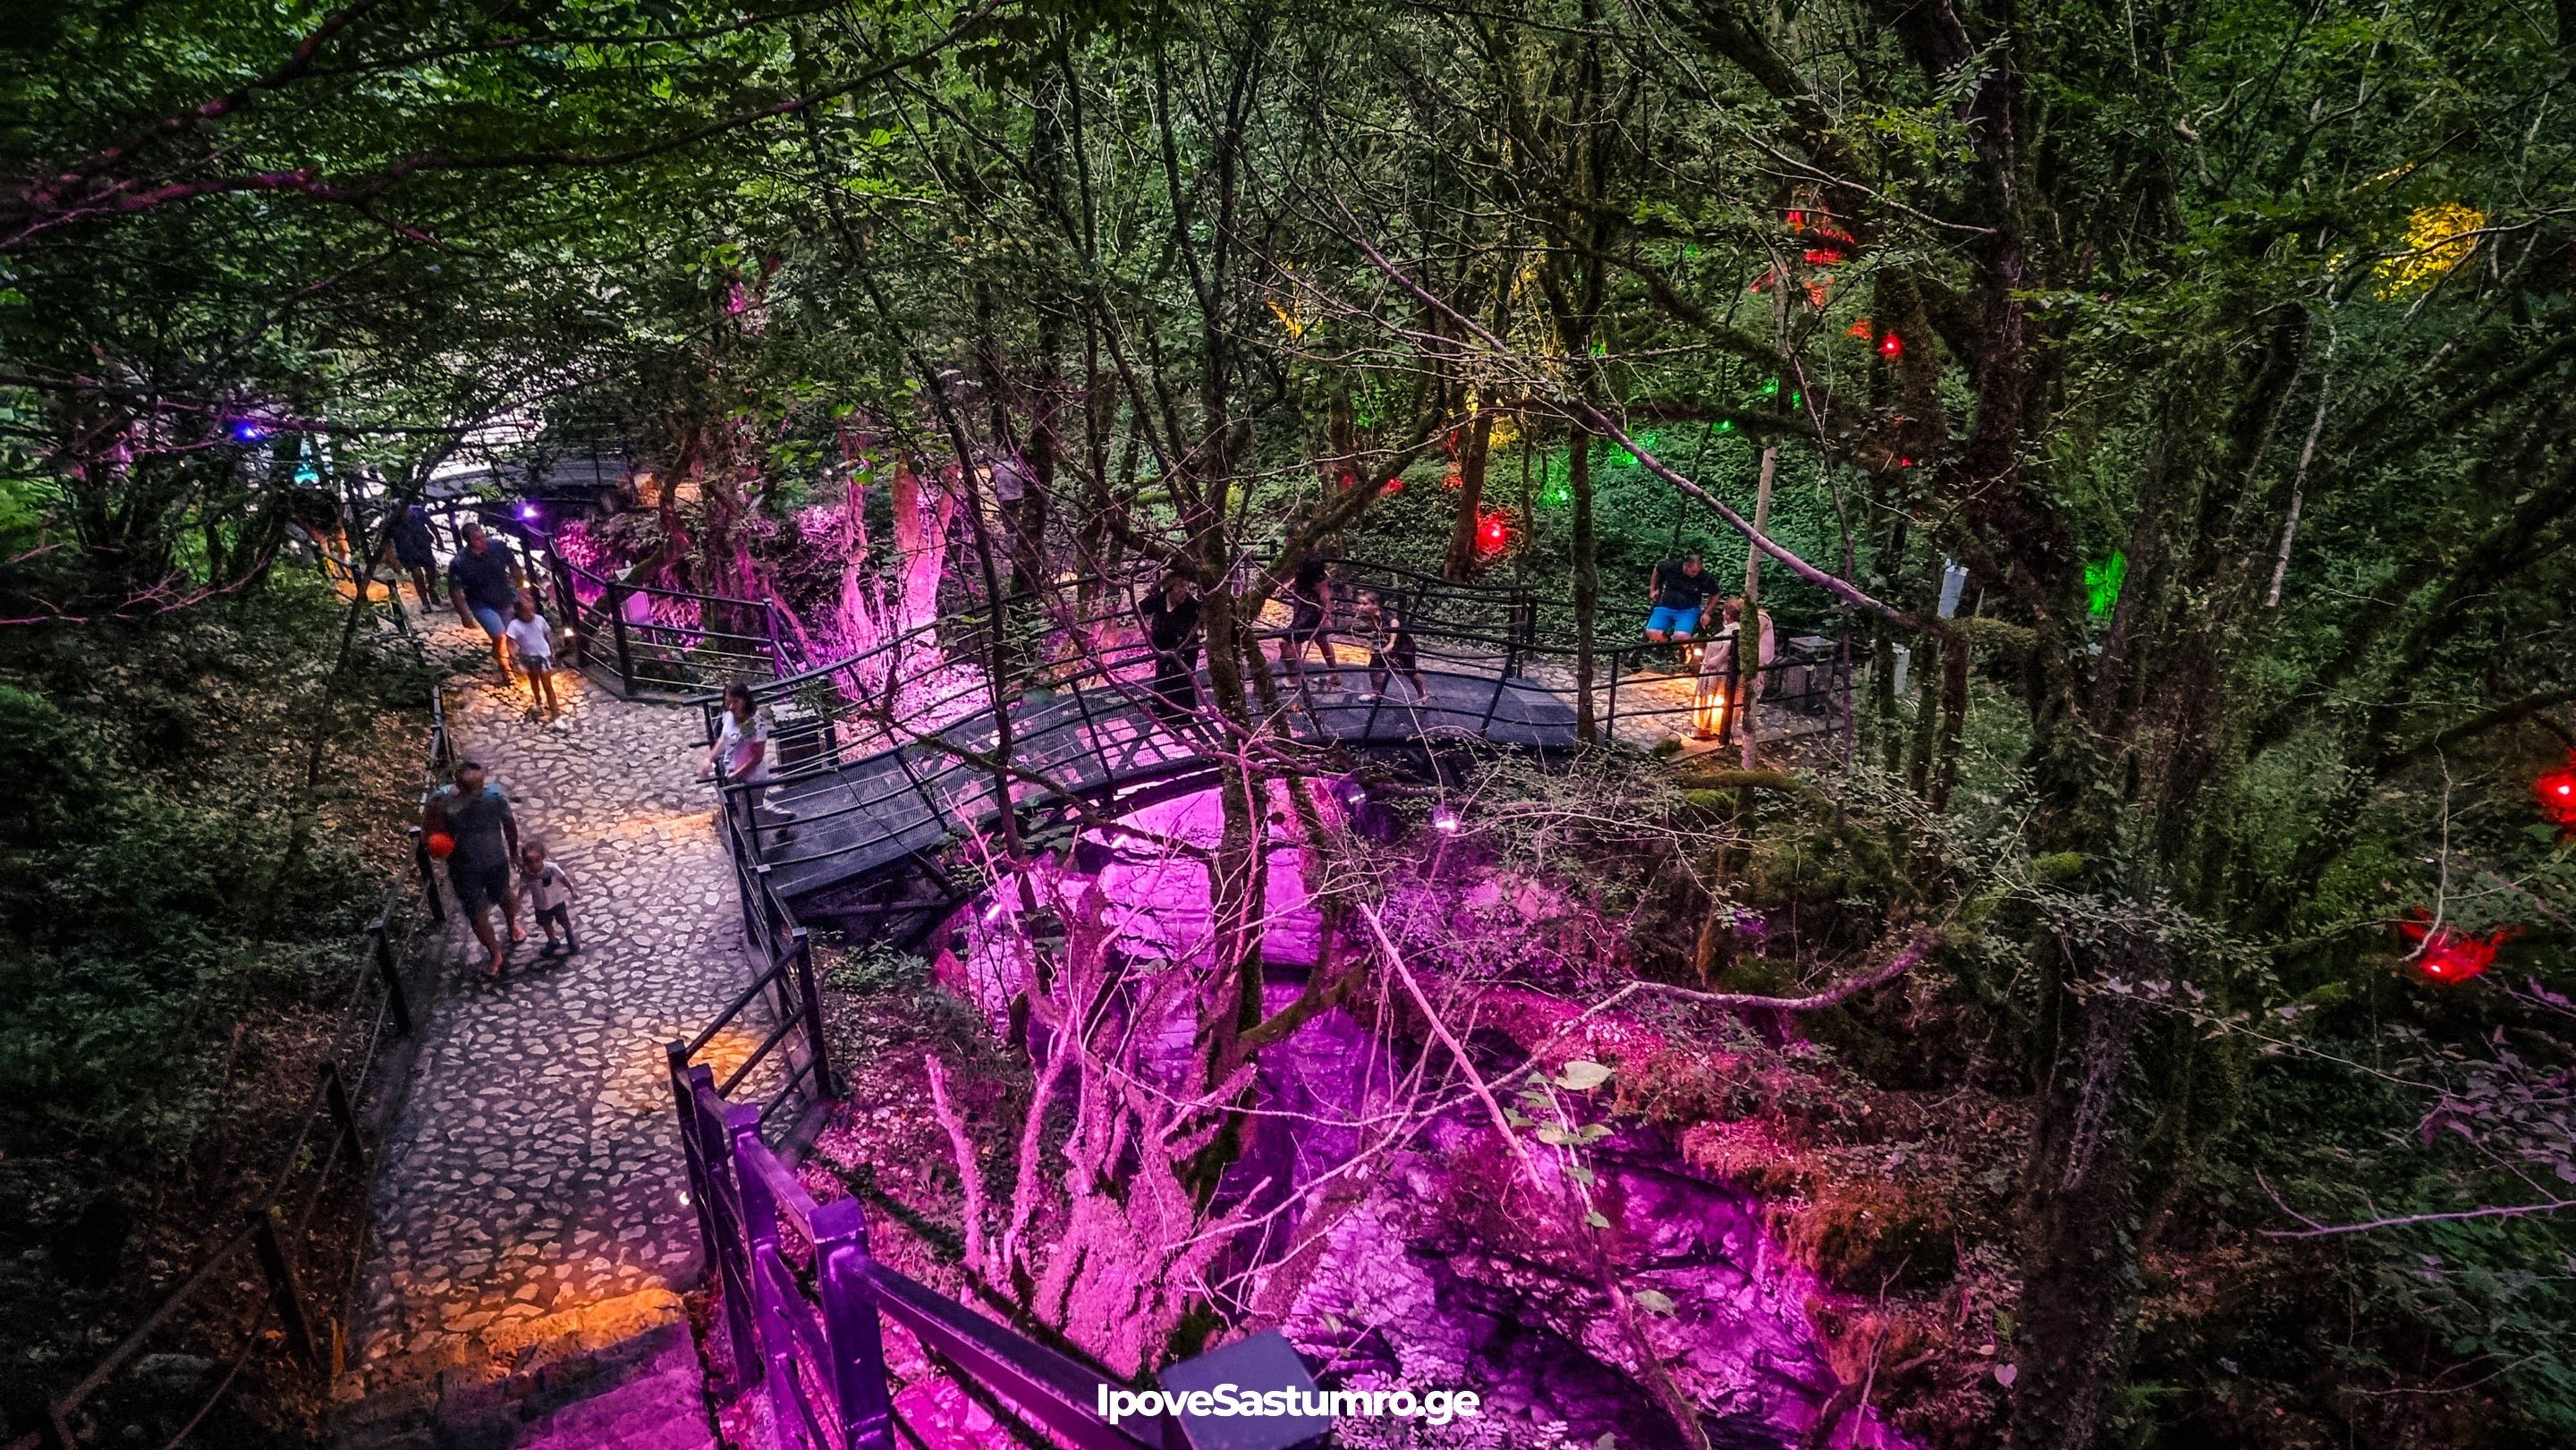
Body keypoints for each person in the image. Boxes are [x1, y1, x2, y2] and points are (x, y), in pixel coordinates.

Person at [424, 760, 522, 979]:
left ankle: (512, 924)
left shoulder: (495, 797)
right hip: (463, 867)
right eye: (470, 786)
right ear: (457, 782)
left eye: (478, 784)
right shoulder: (441, 801)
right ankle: (495, 952)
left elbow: (509, 824)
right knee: (477, 913)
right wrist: (436, 843)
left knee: (504, 896)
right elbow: (430, 830)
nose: (475, 791)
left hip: (495, 860)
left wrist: (514, 853)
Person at [702, 682, 796, 835]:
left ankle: (780, 821)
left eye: (735, 701)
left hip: (752, 778)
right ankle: (781, 816)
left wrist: (737, 774)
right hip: (737, 775)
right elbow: (723, 739)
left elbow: (757, 756)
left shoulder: (754, 724)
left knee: (749, 819)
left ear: (745, 700)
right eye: (728, 701)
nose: (731, 706)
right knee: (751, 808)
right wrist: (710, 759)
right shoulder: (730, 717)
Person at [447, 522, 523, 675]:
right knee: (498, 634)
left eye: (483, 537)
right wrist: (464, 615)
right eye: (477, 539)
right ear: (469, 541)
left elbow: (514, 566)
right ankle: (505, 668)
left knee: (510, 634)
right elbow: (455, 591)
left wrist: (522, 588)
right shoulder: (460, 563)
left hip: (504, 597)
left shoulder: (498, 547)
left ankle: (511, 659)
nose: (482, 541)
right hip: (481, 603)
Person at [1138, 572, 1202, 725]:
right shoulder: (1160, 598)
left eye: (1187, 586)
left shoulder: (1190, 605)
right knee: (1162, 675)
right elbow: (1142, 607)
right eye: (1181, 586)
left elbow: (1191, 628)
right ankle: (1162, 709)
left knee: (1182, 680)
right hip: (1161, 647)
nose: (1186, 590)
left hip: (1184, 650)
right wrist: (1145, 626)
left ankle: (1183, 716)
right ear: (1171, 588)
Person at [1352, 589, 1428, 702]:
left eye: (1364, 603)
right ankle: (1377, 693)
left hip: (1403, 644)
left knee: (1409, 670)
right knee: (1374, 667)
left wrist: (1391, 644)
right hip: (1384, 643)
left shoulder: (1383, 614)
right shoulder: (1370, 614)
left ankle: (1423, 694)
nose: (1361, 606)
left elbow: (1395, 622)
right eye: (1360, 603)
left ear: (1375, 604)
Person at [1645, 554, 1718, 662]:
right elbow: (1657, 569)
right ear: (1686, 566)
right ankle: (1667, 645)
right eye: (1693, 571)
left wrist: (1707, 613)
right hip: (1665, 606)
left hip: (1688, 609)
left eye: (1697, 571)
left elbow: (1716, 593)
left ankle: (1685, 648)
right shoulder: (1672, 567)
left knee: (1681, 636)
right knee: (1652, 632)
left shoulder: (1704, 576)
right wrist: (1653, 589)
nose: (1695, 574)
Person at [503, 591, 563, 725]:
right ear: (518, 612)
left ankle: (555, 712)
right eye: (525, 612)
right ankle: (538, 701)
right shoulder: (515, 625)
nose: (529, 614)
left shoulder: (540, 620)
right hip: (529, 658)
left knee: (548, 685)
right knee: (534, 681)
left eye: (531, 611)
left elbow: (547, 636)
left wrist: (552, 651)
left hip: (544, 657)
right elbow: (510, 641)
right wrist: (513, 655)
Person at [1277, 555, 1336, 691]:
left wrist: (1326, 619)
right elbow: (1298, 578)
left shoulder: (1319, 578)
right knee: (1321, 640)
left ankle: (1293, 678)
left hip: (1310, 614)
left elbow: (1325, 598)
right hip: (1303, 610)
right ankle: (1334, 675)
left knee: (1286, 641)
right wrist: (1289, 584)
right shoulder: (1303, 570)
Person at [518, 843, 580, 956]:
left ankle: (570, 936)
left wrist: (572, 890)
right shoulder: (526, 875)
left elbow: (563, 879)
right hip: (540, 904)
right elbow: (523, 888)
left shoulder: (551, 869)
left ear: (543, 858)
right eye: (530, 862)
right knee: (546, 924)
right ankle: (552, 941)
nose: (534, 865)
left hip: (557, 901)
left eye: (537, 860)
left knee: (564, 921)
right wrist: (518, 901)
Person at [391, 502, 439, 612]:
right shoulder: (392, 521)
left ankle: (431, 589)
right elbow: (386, 539)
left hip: (423, 545)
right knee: (417, 575)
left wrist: (439, 540)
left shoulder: (418, 512)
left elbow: (431, 524)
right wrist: (392, 557)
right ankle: (425, 602)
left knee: (431, 571)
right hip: (407, 551)